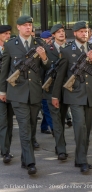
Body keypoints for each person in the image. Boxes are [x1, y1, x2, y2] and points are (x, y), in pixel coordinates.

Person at [51, 21, 92, 173]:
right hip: (73, 94)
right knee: (80, 126)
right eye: (81, 31)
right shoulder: (67, 51)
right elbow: (60, 76)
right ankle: (82, 161)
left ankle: (80, 158)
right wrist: (55, 96)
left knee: (86, 129)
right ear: (74, 33)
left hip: (90, 95)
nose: (84, 34)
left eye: (86, 31)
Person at [0, 15, 51, 175]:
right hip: (17, 92)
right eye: (25, 25)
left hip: (35, 92)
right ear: (19, 27)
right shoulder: (10, 45)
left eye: (30, 25)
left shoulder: (39, 43)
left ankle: (24, 159)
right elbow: (4, 70)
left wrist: (43, 57)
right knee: (24, 128)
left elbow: (47, 66)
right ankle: (30, 162)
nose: (29, 27)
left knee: (32, 126)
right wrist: (2, 90)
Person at [43, 23, 69, 160]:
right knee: (57, 121)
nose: (61, 33)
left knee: (62, 119)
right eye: (58, 32)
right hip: (52, 89)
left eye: (63, 31)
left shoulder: (70, 48)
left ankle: (60, 145)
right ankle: (61, 150)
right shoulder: (47, 49)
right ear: (53, 35)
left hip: (66, 89)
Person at [0, 25, 14, 164]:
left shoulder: (12, 49)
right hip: (0, 90)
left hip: (11, 90)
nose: (8, 36)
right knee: (3, 122)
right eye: (5, 34)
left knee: (9, 122)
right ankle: (5, 152)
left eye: (9, 33)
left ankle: (6, 149)